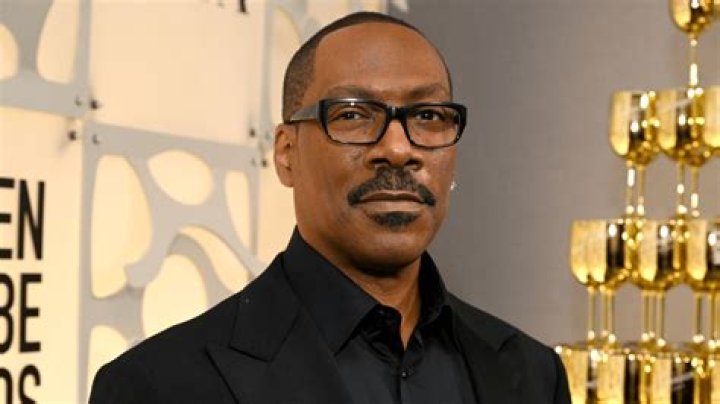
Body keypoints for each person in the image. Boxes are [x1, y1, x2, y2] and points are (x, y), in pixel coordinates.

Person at [90, 11, 570, 403]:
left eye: (427, 115)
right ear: (286, 154)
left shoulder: (532, 375)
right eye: (354, 114)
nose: (398, 148)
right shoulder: (161, 386)